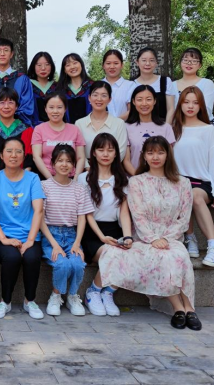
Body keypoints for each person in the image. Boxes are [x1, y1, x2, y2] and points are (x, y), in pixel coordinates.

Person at [98, 136, 201, 331]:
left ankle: (189, 308)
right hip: (145, 238)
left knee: (178, 256)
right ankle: (179, 308)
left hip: (172, 238)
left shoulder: (183, 183)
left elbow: (184, 218)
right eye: (151, 152)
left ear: (167, 155)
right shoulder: (136, 182)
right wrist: (154, 239)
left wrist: (166, 238)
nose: (155, 157)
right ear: (144, 156)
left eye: (160, 152)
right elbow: (138, 216)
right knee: (161, 256)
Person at [0, 138, 45, 320]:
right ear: (1, 155)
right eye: (9, 151)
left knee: (31, 257)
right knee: (11, 257)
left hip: (29, 235)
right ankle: (5, 301)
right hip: (2, 235)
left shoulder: (33, 178)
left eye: (18, 151)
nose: (13, 155)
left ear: (24, 155)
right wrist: (3, 239)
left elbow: (38, 210)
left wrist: (30, 240)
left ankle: (30, 300)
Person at [78, 133, 132, 317]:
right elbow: (86, 213)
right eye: (101, 149)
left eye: (110, 150)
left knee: (129, 253)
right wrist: (102, 237)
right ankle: (93, 292)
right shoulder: (83, 179)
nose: (105, 154)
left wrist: (127, 236)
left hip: (114, 229)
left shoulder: (123, 179)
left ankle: (108, 292)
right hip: (91, 232)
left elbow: (124, 212)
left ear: (117, 153)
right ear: (93, 153)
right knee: (113, 253)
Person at [171, 87, 214, 267]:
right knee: (182, 192)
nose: (190, 106)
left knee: (194, 195)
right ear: (180, 104)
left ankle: (213, 246)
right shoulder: (173, 128)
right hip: (178, 181)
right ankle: (190, 238)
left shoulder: (208, 129)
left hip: (202, 182)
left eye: (195, 102)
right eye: (186, 102)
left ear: (201, 105)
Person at [39, 145, 93, 317]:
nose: (64, 164)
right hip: (51, 234)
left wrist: (77, 243)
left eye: (68, 161)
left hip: (71, 235)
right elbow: (40, 218)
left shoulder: (79, 188)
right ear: (52, 164)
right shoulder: (44, 186)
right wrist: (54, 244)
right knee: (61, 263)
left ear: (74, 165)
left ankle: (72, 296)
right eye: (60, 161)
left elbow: (82, 217)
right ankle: (56, 295)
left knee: (77, 263)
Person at [123, 85, 176, 175]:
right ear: (133, 102)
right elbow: (126, 160)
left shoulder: (166, 127)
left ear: (154, 101)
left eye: (148, 99)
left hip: (161, 178)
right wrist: (140, 179)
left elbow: (169, 158)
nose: (144, 103)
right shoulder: (125, 127)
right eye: (139, 99)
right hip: (134, 178)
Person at [31, 93, 86, 180]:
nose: (55, 111)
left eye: (59, 107)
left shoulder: (75, 129)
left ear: (65, 109)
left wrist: (76, 179)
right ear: (45, 109)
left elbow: (81, 157)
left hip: (71, 178)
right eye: (51, 107)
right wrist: (51, 180)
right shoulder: (39, 129)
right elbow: (36, 157)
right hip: (46, 178)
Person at [75, 82, 127, 164]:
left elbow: (121, 151)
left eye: (104, 95)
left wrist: (105, 167)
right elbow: (78, 152)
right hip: (87, 169)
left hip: (111, 168)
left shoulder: (119, 123)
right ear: (89, 98)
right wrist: (88, 167)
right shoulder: (79, 124)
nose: (99, 99)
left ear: (109, 99)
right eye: (95, 95)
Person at [0, 38, 34, 125]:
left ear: (11, 54)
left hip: (18, 125)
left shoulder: (22, 79)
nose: (2, 54)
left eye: (6, 50)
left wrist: (12, 120)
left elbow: (27, 107)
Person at [174, 47, 214, 124]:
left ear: (200, 65)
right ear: (180, 62)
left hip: (205, 124)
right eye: (185, 60)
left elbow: (207, 110)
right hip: (178, 125)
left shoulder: (207, 83)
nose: (189, 63)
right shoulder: (171, 85)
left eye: (194, 61)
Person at [133, 47, 176, 124]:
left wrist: (166, 128)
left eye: (152, 60)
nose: (147, 63)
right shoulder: (131, 84)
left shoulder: (165, 81)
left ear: (156, 63)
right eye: (144, 60)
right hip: (136, 126)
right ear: (137, 62)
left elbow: (171, 109)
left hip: (162, 126)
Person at [57, 53, 93, 124]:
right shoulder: (60, 90)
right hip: (66, 129)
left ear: (81, 65)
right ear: (64, 70)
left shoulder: (92, 87)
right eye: (68, 65)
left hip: (90, 127)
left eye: (75, 63)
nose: (72, 67)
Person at [101, 49, 135, 120]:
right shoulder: (97, 86)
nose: (112, 67)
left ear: (122, 65)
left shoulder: (130, 86)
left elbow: (132, 110)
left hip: (124, 125)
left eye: (116, 63)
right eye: (108, 63)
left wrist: (115, 123)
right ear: (103, 65)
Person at [27, 51, 58, 126]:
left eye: (47, 64)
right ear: (33, 67)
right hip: (33, 127)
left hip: (56, 127)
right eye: (39, 65)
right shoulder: (27, 86)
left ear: (52, 66)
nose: (43, 68)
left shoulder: (57, 87)